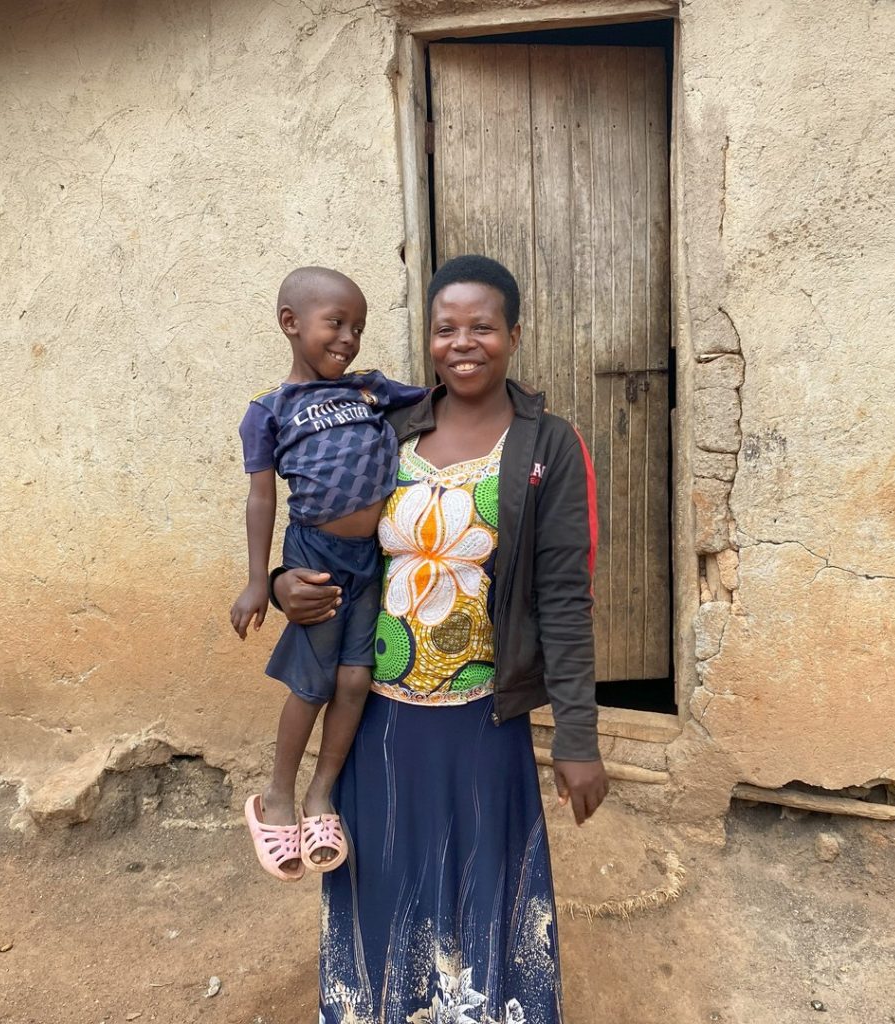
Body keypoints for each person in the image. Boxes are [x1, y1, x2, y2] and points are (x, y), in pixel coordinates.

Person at [273, 255, 608, 1022]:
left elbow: (564, 596)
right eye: (445, 327)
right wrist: (282, 581)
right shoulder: (386, 427)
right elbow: (320, 523)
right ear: (428, 339)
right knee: (383, 884)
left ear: (513, 336)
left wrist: (578, 738)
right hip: (375, 718)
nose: (464, 342)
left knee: (481, 888)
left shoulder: (547, 446)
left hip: (482, 721)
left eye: (482, 326)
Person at [230, 266, 425, 881]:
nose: (348, 338)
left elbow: (441, 399)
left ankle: (321, 796)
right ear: (290, 324)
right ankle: (277, 797)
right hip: (315, 559)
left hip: (372, 560)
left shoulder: (371, 390)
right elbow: (262, 498)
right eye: (335, 323)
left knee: (354, 681)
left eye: (358, 327)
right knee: (312, 685)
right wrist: (261, 579)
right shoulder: (270, 409)